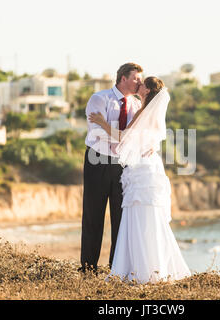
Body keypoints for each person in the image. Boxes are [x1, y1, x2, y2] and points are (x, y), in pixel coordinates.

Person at [88, 77, 191, 284]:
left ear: (147, 90)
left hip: (142, 168)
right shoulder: (149, 112)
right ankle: (152, 266)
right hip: (148, 165)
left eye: (142, 83)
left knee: (140, 214)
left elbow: (123, 138)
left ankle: (142, 269)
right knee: (146, 215)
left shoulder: (144, 112)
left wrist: (101, 123)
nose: (138, 85)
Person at [79, 62, 143, 274]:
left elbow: (131, 136)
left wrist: (118, 133)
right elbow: (98, 133)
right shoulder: (100, 98)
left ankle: (116, 268)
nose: (139, 82)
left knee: (120, 217)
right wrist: (121, 135)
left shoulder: (135, 104)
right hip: (97, 160)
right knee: (93, 215)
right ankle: (88, 268)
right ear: (123, 78)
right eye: (136, 78)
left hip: (122, 164)